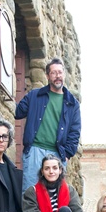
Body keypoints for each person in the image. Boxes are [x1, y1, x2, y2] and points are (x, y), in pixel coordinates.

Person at [15, 57, 81, 192]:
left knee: (54, 196)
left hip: (58, 153)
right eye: (53, 73)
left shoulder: (72, 103)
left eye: (60, 72)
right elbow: (17, 112)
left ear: (64, 74)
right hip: (34, 150)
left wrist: (67, 154)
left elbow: (75, 131)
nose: (58, 76)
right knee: (30, 193)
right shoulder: (34, 95)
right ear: (47, 76)